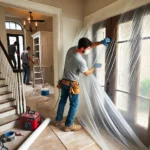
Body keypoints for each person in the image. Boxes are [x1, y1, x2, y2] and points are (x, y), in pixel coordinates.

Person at [54, 37, 111, 132]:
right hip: (72, 85)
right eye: (88, 48)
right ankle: (69, 125)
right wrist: (94, 67)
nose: (89, 49)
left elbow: (90, 45)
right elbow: (87, 73)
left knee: (62, 100)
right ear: (82, 48)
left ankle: (58, 120)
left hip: (64, 82)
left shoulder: (71, 49)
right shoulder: (80, 61)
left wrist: (101, 42)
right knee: (74, 104)